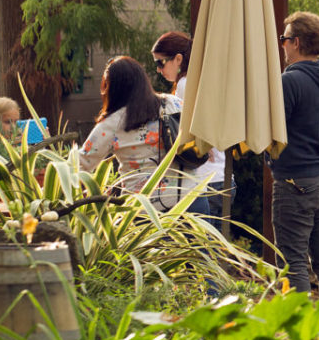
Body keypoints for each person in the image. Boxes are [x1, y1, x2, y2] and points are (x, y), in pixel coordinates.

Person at [267, 12, 319, 305]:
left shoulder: (289, 82)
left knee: (292, 260)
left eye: (284, 39)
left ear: (296, 42)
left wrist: (267, 156)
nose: (282, 45)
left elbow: (276, 134)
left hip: (296, 181)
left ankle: (297, 333)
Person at [79, 57, 185, 207]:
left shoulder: (112, 123)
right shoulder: (174, 103)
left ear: (112, 88)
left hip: (145, 212)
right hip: (192, 204)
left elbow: (80, 165)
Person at [152, 31, 230, 217]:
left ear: (178, 59)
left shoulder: (185, 85)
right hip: (221, 177)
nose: (158, 70)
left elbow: (185, 133)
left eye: (160, 63)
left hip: (204, 180)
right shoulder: (203, 80)